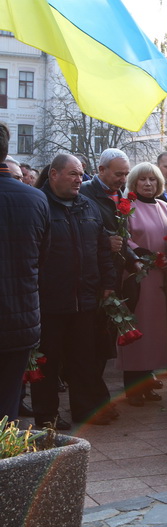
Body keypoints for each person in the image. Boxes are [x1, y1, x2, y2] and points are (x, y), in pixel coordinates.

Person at [32, 154, 116, 428]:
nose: (79, 179)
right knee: (48, 362)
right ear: (54, 174)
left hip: (85, 301)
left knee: (84, 359)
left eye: (81, 174)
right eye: (72, 174)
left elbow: (103, 249)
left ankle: (84, 410)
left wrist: (108, 283)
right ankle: (47, 417)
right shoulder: (39, 205)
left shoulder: (89, 207)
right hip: (50, 301)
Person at [0, 122, 50, 421]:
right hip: (20, 317)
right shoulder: (35, 198)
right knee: (8, 403)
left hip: (20, 317)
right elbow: (42, 258)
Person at [120, 162, 167, 406]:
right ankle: (132, 386)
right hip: (139, 276)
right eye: (142, 179)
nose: (148, 184)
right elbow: (124, 240)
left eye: (152, 180)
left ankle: (148, 379)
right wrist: (142, 255)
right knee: (138, 329)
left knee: (156, 331)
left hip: (162, 277)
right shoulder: (126, 207)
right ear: (134, 182)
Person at [80, 149, 135, 376]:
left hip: (112, 277)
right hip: (90, 279)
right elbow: (80, 231)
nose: (123, 180)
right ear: (101, 170)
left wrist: (134, 260)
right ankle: (90, 398)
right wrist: (105, 242)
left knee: (104, 340)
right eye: (118, 174)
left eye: (126, 174)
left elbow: (121, 237)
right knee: (89, 344)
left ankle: (97, 394)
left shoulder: (121, 196)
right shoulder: (84, 194)